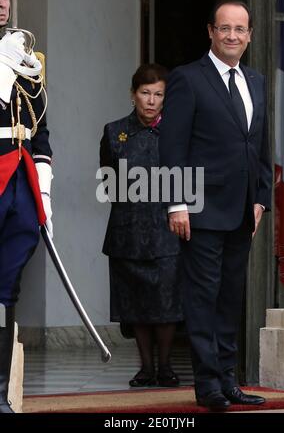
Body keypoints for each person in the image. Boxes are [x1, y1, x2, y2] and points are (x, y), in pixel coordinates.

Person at [159, 1, 272, 411]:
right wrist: (176, 203)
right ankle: (208, 386)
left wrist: (261, 199)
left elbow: (259, 145)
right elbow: (172, 146)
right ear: (210, 31)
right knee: (203, 298)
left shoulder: (256, 81)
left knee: (230, 299)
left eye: (240, 30)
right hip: (200, 209)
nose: (232, 36)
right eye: (224, 28)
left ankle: (230, 381)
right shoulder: (188, 79)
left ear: (250, 35)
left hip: (242, 211)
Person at [100, 64, 183, 388]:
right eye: (145, 93)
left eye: (158, 94)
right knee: (134, 305)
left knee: (166, 302)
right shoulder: (114, 131)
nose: (151, 100)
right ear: (133, 94)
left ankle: (165, 366)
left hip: (167, 230)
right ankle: (145, 368)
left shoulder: (177, 131)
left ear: (165, 98)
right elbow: (107, 181)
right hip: (127, 230)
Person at [0, 0, 53, 413]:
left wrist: (45, 189)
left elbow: (40, 127)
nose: (1, 2)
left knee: (7, 285)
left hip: (19, 179)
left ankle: (2, 386)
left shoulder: (24, 53)